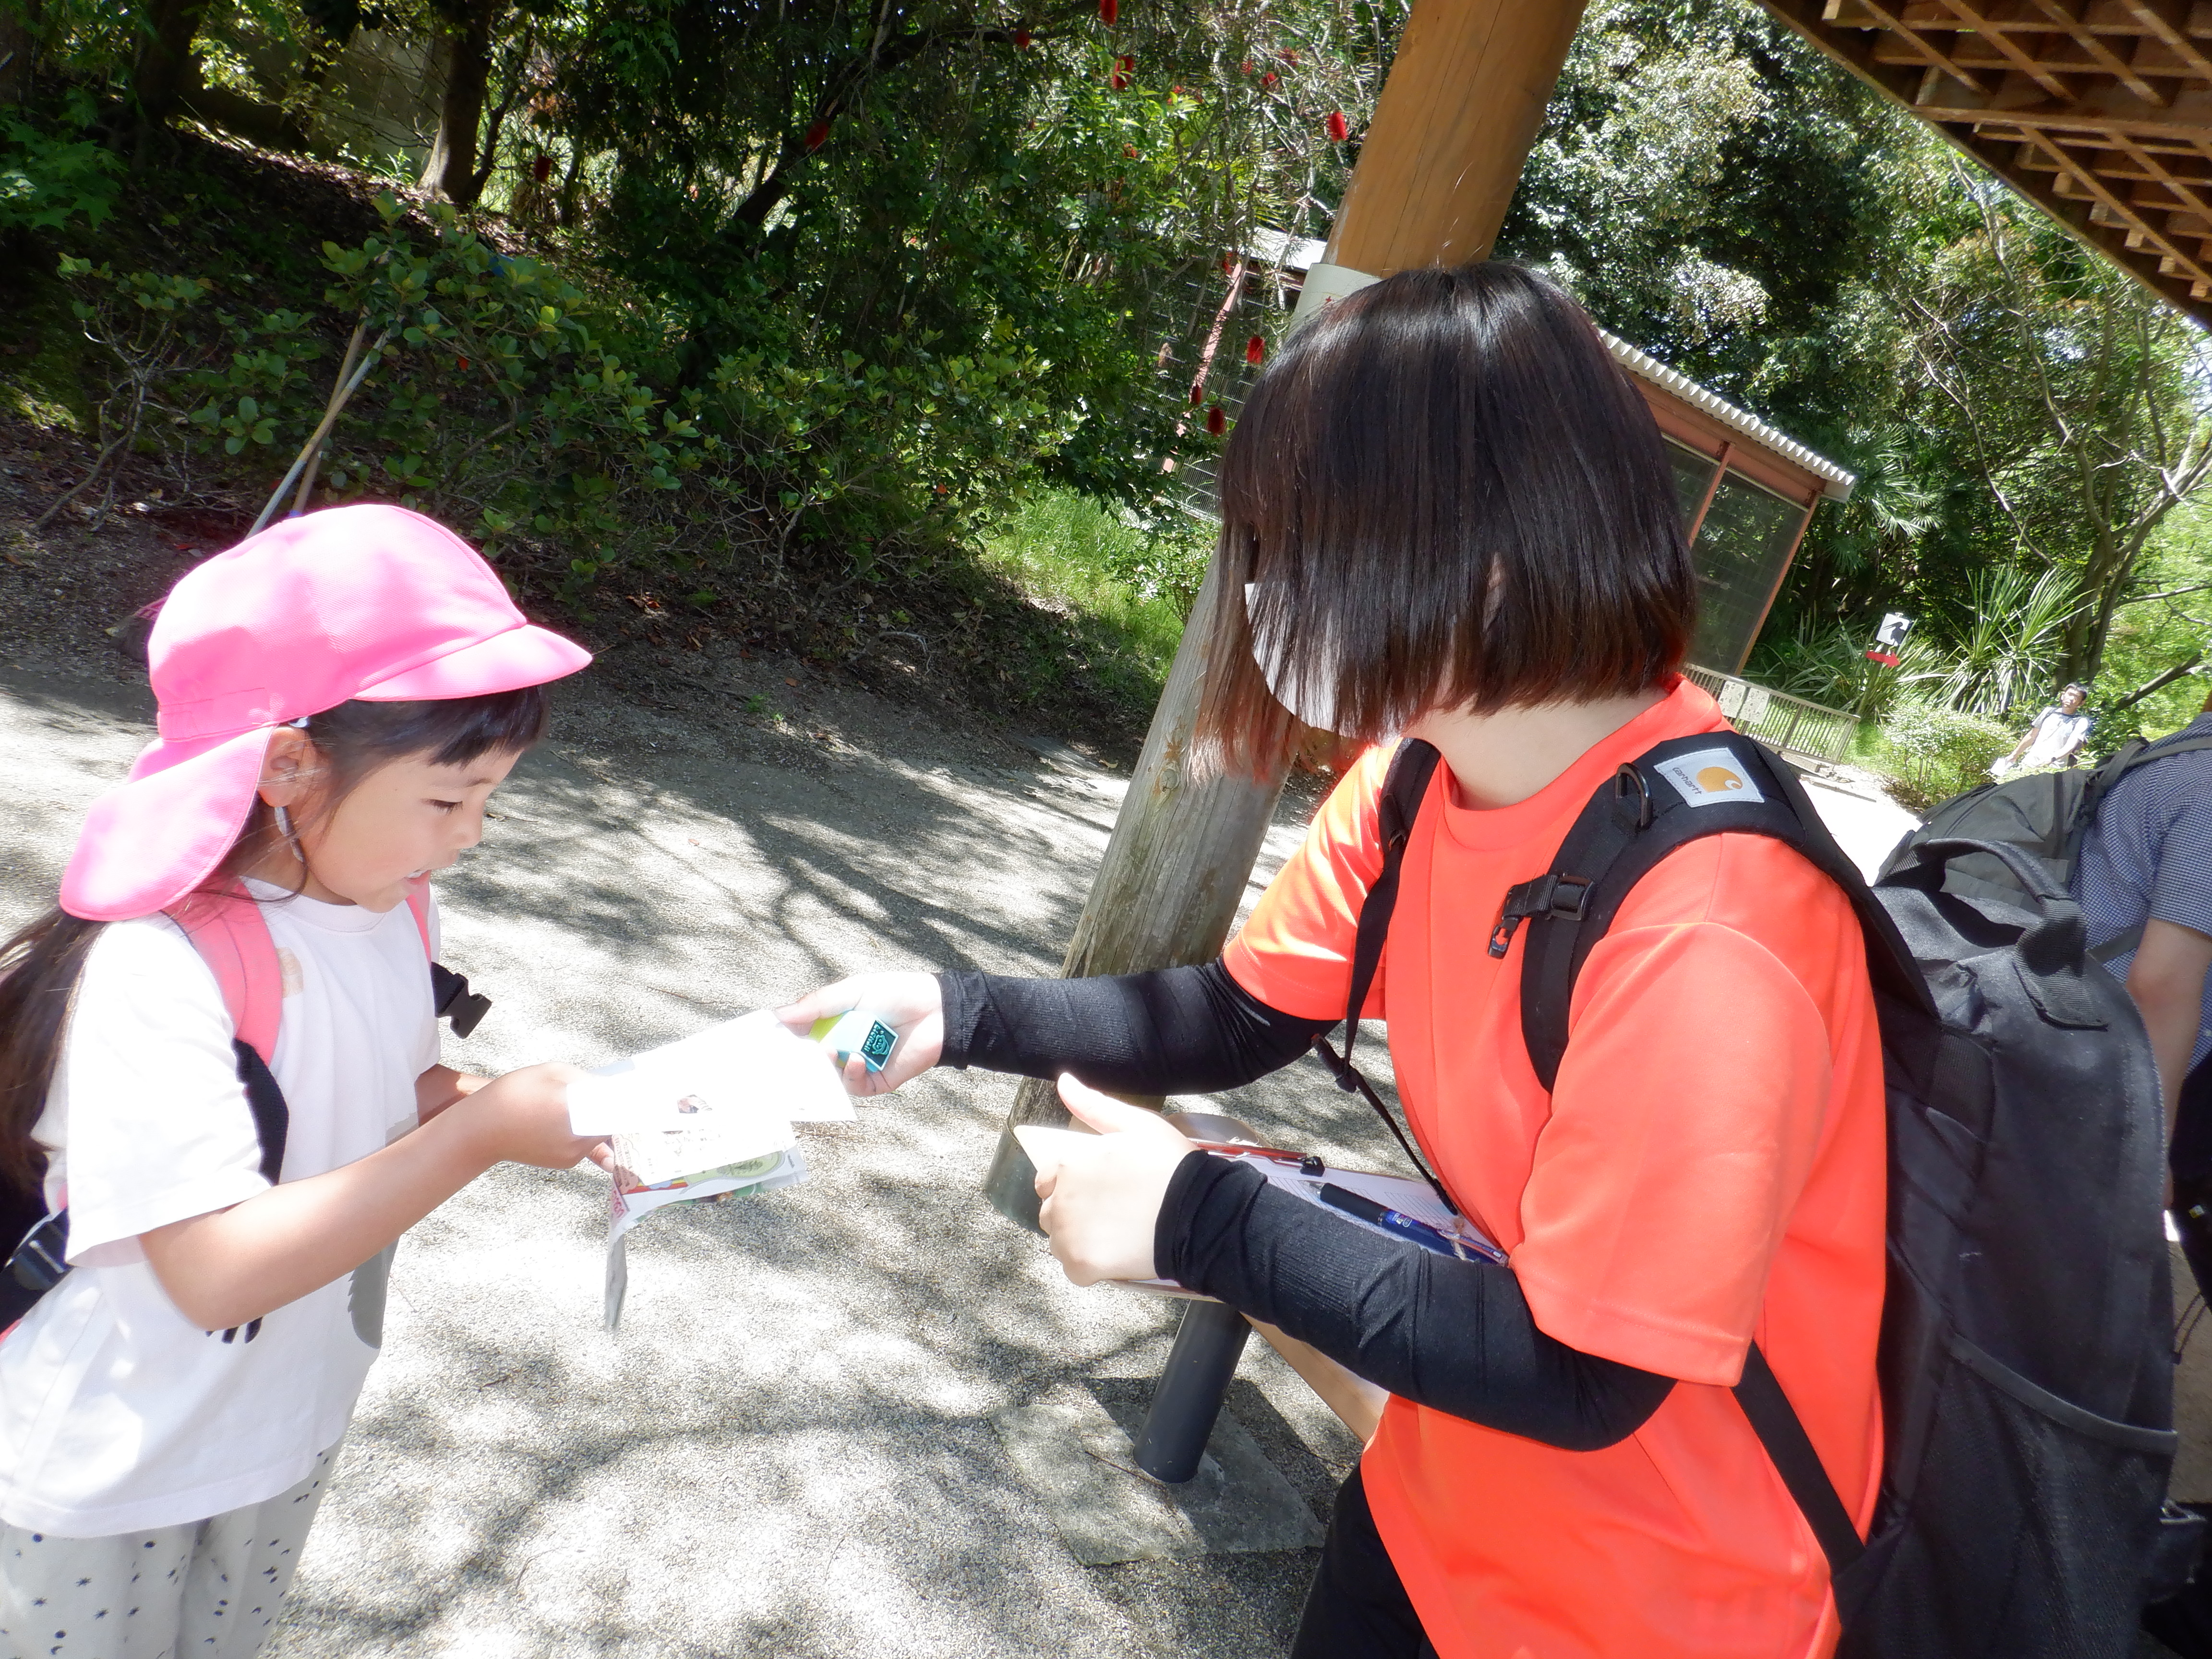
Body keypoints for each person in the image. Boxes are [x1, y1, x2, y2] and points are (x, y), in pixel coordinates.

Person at [781, 265, 1886, 1659]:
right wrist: (956, 1010)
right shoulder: (1422, 775)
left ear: (1485, 546)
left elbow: (1590, 1372)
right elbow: (1237, 1015)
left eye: (1302, 544)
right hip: (1439, 1498)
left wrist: (1197, 1218)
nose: (1267, 591)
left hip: (1659, 1599)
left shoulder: (1713, 917)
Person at [0, 505, 606, 1658]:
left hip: (283, 1422)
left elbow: (386, 1093)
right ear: (287, 764)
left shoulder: (390, 906)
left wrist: (544, 1110)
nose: (472, 834)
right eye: (449, 798)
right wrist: (483, 1134)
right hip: (111, 1466)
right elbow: (212, 1272)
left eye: (492, 798)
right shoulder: (158, 966)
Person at [1992, 682, 2093, 775]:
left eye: (2076, 697)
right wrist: (2014, 755)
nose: (2071, 699)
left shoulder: (2081, 721)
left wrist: (2051, 759)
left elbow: (2070, 746)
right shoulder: (2048, 712)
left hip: (2053, 770)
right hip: (2029, 764)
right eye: (2070, 694)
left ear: (2081, 703)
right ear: (2063, 695)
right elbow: (2032, 735)